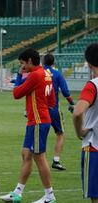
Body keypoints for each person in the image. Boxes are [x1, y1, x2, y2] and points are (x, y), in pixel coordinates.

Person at [0, 48, 56, 203]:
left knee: (39, 157)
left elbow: (16, 93)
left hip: (38, 122)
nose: (22, 66)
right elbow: (52, 100)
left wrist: (19, 75)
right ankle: (18, 192)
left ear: (30, 61)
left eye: (23, 63)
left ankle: (49, 196)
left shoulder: (36, 75)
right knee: (26, 154)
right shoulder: (46, 74)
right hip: (36, 121)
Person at [72, 43, 98, 203]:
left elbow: (78, 112)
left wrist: (79, 131)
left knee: (95, 196)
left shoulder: (92, 85)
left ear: (88, 63)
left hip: (94, 146)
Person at [42, 54, 75, 170]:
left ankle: (39, 160)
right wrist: (72, 103)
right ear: (53, 62)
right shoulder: (57, 74)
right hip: (54, 109)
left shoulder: (38, 73)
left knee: (41, 135)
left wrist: (14, 80)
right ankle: (56, 160)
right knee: (60, 134)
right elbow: (65, 91)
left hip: (40, 110)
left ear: (43, 62)